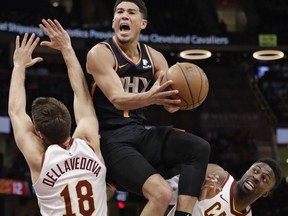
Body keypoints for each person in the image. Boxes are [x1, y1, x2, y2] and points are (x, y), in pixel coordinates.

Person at [86, 0, 211, 215]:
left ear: (142, 23)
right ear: (114, 21)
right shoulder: (101, 53)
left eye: (131, 12)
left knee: (199, 148)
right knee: (161, 193)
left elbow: (170, 105)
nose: (124, 16)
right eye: (119, 12)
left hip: (140, 133)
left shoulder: (156, 58)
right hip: (110, 139)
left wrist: (173, 101)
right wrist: (152, 97)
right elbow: (118, 98)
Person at [8, 19, 107, 215]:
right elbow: (83, 97)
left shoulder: (40, 159)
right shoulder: (89, 143)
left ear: (39, 134)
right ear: (70, 121)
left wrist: (19, 66)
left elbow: (16, 111)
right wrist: (67, 48)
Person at [167, 158, 282, 215]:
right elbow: (166, 191)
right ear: (247, 170)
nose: (256, 177)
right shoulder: (218, 175)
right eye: (255, 171)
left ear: (266, 193)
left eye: (264, 179)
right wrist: (193, 193)